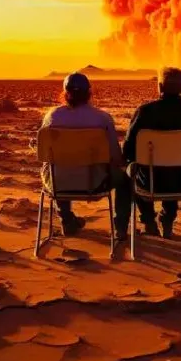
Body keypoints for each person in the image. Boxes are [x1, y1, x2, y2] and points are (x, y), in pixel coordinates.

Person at [36, 73, 131, 239]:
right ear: (89, 93)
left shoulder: (52, 117)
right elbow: (116, 156)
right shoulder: (102, 118)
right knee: (125, 180)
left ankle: (66, 220)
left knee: (56, 168)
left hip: (58, 184)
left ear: (65, 93)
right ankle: (120, 229)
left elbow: (45, 155)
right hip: (95, 183)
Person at [123, 67, 181, 239]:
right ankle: (167, 220)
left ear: (160, 87)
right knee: (174, 166)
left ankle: (148, 222)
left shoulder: (145, 112)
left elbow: (128, 148)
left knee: (133, 170)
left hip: (149, 183)